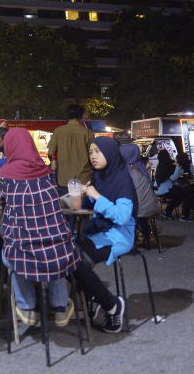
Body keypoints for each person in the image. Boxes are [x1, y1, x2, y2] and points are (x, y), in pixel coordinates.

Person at [0, 128, 78, 327]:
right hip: (59, 250)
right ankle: (60, 308)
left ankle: (27, 307)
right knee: (52, 252)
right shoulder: (46, 171)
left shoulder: (5, 174)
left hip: (24, 250)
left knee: (12, 254)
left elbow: (1, 203)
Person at [73, 137, 137, 333]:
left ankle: (112, 306)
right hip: (98, 232)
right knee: (63, 255)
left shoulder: (122, 179)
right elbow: (92, 207)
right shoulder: (99, 176)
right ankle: (94, 296)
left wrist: (96, 196)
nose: (93, 156)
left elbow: (122, 216)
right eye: (91, 152)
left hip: (119, 235)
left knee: (76, 261)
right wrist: (80, 198)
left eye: (97, 151)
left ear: (109, 152)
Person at [47, 103, 95, 195]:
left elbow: (51, 152)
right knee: (82, 208)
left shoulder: (58, 131)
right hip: (84, 179)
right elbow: (93, 154)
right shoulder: (88, 133)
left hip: (63, 179)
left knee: (65, 207)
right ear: (81, 115)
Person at [120, 143, 159, 241]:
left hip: (139, 209)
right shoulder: (140, 166)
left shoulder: (128, 170)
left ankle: (131, 239)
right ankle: (145, 234)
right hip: (152, 206)